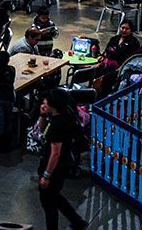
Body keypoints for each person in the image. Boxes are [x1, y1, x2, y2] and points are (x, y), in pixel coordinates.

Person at [35, 89, 88, 230]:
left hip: (56, 167)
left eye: (46, 101)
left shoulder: (59, 124)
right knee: (54, 195)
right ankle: (76, 221)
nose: (44, 102)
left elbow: (55, 153)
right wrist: (42, 115)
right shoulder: (61, 114)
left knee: (48, 201)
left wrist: (47, 175)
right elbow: (42, 131)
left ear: (54, 104)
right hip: (61, 164)